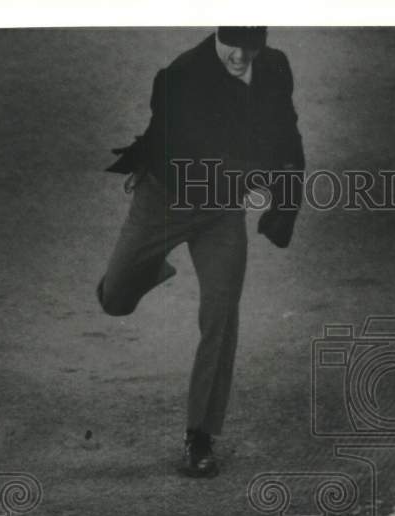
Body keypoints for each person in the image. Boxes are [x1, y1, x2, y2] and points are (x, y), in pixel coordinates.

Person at [97, 26, 306, 477]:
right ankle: (150, 268)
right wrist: (254, 173)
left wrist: (286, 203)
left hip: (221, 211)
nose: (241, 56)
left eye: (252, 46)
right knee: (114, 299)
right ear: (217, 36)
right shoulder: (181, 76)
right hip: (166, 196)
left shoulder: (274, 66)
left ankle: (200, 436)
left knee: (221, 312)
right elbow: (187, 155)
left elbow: (287, 134)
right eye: (234, 45)